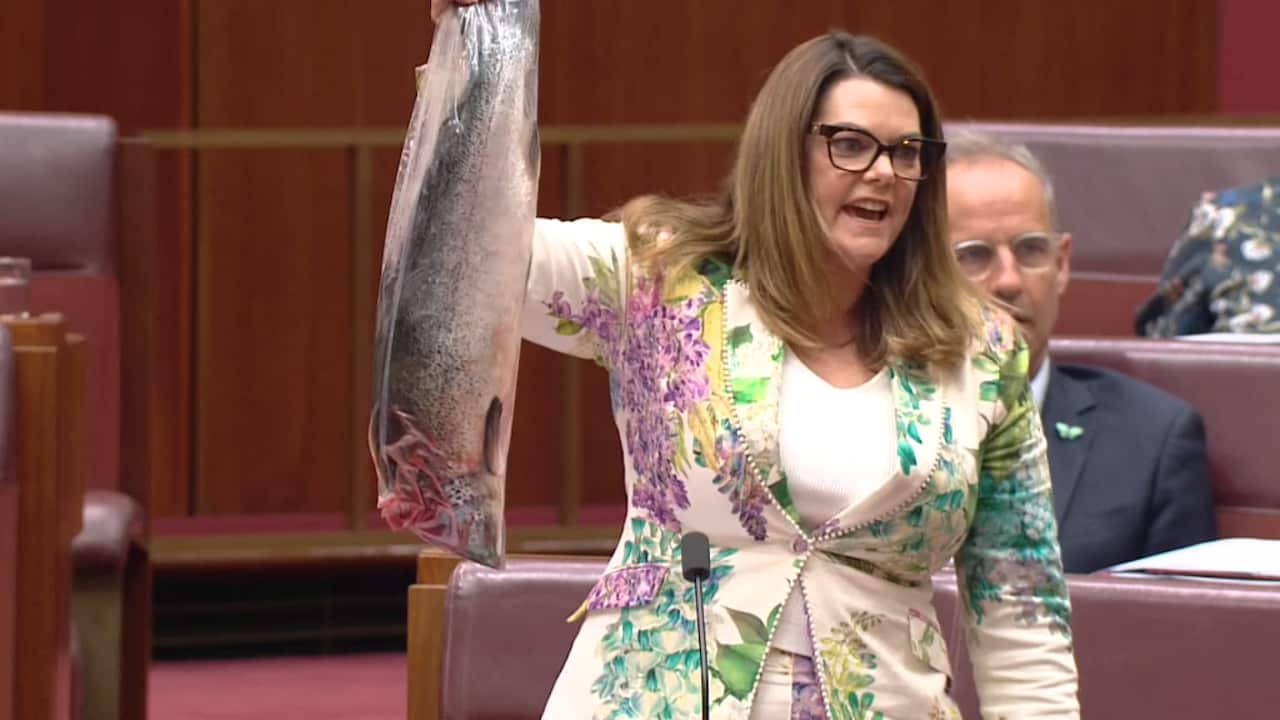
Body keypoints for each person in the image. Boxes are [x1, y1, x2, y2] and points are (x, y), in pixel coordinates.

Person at [431, 2, 1080, 717]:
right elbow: (473, 250)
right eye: (850, 144)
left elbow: (1021, 609)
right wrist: (478, 52)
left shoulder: (982, 348)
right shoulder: (658, 280)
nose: (884, 173)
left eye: (906, 152)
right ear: (785, 151)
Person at [945, 131, 1218, 574]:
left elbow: (1189, 631)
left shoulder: (1151, 440)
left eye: (1031, 250)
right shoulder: (869, 419)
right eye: (974, 256)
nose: (1010, 281)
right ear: (920, 273)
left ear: (1062, 264)